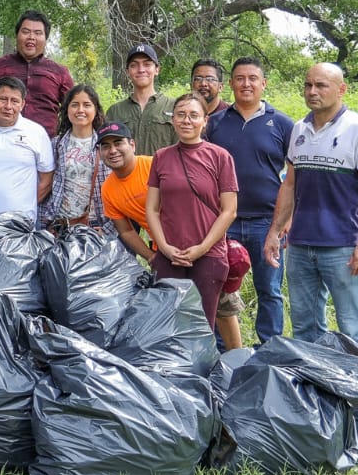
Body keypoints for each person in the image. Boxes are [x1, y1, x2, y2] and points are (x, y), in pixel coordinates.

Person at [265, 62, 358, 348]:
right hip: (300, 246)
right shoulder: (299, 129)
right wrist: (275, 231)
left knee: (353, 327)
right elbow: (290, 184)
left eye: (321, 85)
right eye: (308, 85)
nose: (312, 91)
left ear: (341, 89)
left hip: (343, 246)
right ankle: (316, 389)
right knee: (305, 329)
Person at [205, 57, 295, 344]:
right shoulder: (216, 123)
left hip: (267, 223)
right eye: (240, 78)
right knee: (219, 286)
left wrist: (287, 220)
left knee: (269, 288)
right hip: (224, 221)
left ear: (263, 83)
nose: (246, 84)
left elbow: (295, 177)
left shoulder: (282, 124)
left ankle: (270, 347)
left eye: (252, 78)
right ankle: (223, 348)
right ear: (230, 84)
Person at [145, 93, 240, 335]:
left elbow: (229, 210)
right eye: (181, 115)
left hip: (208, 254)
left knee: (201, 327)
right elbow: (152, 209)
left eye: (193, 115)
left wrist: (202, 248)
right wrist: (164, 248)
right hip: (170, 255)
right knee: (167, 325)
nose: (187, 121)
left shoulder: (220, 157)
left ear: (204, 120)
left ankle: (201, 373)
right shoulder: (161, 157)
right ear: (173, 119)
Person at [0, 10, 74, 137]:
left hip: (46, 143)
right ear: (17, 35)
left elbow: (74, 107)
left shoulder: (60, 72)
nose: (31, 37)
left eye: (38, 33)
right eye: (26, 31)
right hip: (2, 140)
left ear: (46, 39)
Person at [0, 76, 55, 222]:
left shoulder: (36, 132)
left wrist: (24, 206)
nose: (8, 106)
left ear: (22, 104)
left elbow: (46, 180)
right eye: (3, 99)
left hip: (20, 225)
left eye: (15, 101)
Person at [41, 84, 110, 231]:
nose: (80, 110)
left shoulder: (106, 145)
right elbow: (47, 185)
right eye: (74, 105)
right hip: (60, 224)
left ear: (95, 109)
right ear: (67, 110)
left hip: (95, 225)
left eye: (87, 105)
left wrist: (107, 228)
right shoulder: (55, 144)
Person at [95, 123, 157, 267]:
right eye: (106, 146)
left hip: (197, 240)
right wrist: (151, 257)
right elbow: (127, 231)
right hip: (162, 249)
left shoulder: (154, 166)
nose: (112, 150)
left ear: (132, 145)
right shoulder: (108, 190)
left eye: (118, 143)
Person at [108, 43, 176, 156]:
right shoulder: (115, 111)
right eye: (134, 65)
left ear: (157, 70)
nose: (141, 70)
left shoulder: (174, 107)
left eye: (147, 64)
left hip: (164, 173)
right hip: (126, 174)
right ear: (127, 71)